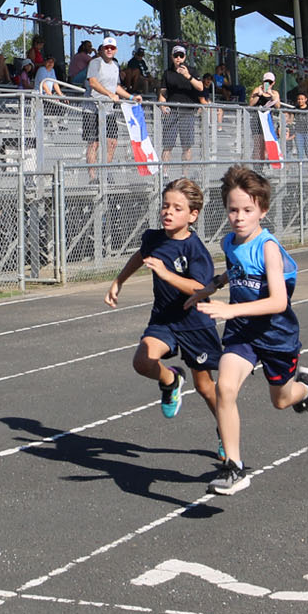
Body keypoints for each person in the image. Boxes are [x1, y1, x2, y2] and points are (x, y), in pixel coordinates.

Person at [185, 165, 308, 495]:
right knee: (225, 388)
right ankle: (234, 467)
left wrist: (230, 309)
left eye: (247, 210)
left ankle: (307, 387)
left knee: (282, 400)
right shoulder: (230, 243)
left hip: (276, 335)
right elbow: (236, 270)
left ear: (262, 210)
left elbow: (276, 302)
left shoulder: (268, 248)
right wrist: (211, 287)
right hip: (242, 332)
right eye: (233, 210)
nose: (239, 217)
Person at [105, 178, 222, 442]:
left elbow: (200, 288)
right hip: (164, 320)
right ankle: (170, 381)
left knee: (205, 387)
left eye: (177, 208)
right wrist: (118, 281)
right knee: (142, 361)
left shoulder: (195, 249)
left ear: (193, 215)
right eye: (165, 206)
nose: (168, 211)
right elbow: (140, 256)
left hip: (194, 323)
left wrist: (167, 275)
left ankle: (225, 431)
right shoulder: (153, 238)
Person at [81, 37, 139, 177]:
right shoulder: (95, 62)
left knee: (112, 142)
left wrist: (131, 97)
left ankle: (105, 174)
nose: (109, 50)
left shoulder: (115, 66)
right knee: (93, 143)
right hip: (92, 109)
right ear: (102, 49)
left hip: (108, 110)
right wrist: (109, 94)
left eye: (112, 48)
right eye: (107, 47)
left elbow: (116, 87)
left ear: (115, 50)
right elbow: (93, 83)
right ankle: (93, 177)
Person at [159, 45, 206, 164]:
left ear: (185, 57)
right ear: (172, 57)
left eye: (181, 56)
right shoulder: (167, 73)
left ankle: (185, 175)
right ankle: (164, 174)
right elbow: (163, 93)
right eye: (176, 56)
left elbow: (200, 87)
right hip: (172, 112)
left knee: (187, 146)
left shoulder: (193, 71)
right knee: (167, 145)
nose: (178, 58)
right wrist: (162, 106)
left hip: (188, 112)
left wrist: (188, 76)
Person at [248, 71, 282, 162]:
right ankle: (257, 166)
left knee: (266, 145)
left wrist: (271, 94)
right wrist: (259, 95)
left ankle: (262, 166)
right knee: (258, 144)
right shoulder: (257, 90)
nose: (268, 84)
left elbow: (278, 106)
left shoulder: (275, 93)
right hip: (257, 119)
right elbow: (251, 104)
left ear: (273, 83)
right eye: (266, 82)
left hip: (267, 120)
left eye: (270, 82)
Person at [284, 91, 308, 166]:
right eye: (299, 99)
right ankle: (300, 170)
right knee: (300, 152)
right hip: (298, 133)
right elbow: (290, 120)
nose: (300, 101)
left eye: (302, 99)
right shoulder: (295, 109)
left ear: (305, 99)